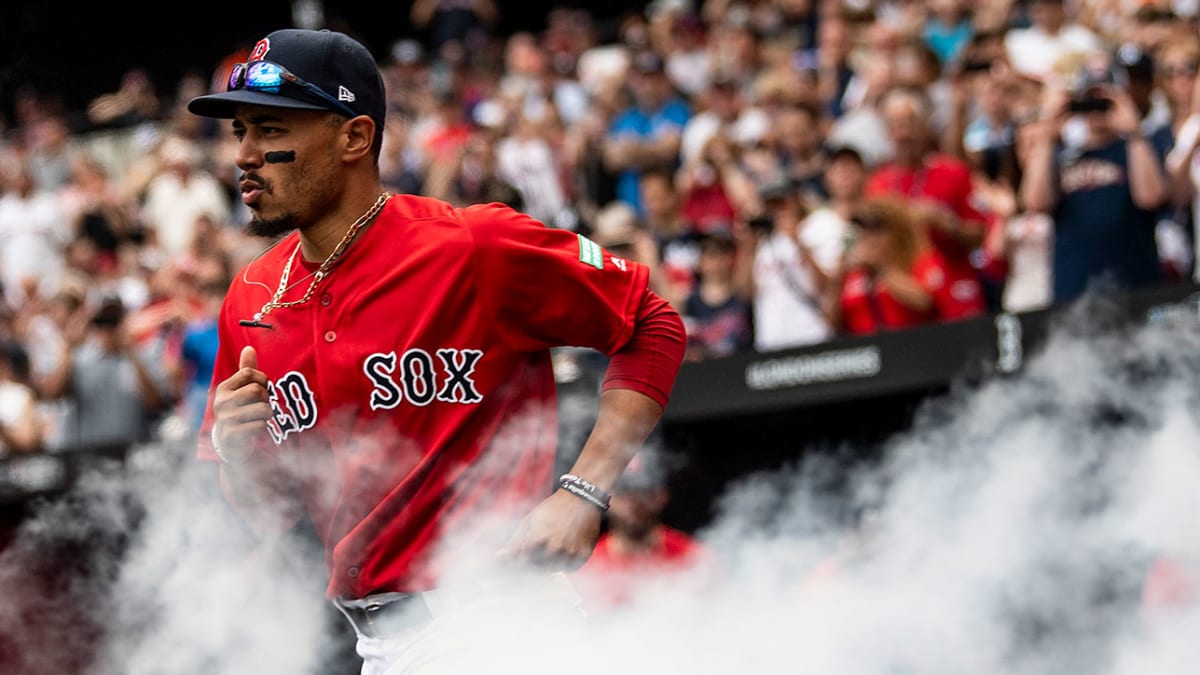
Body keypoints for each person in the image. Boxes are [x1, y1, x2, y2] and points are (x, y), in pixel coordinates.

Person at [186, 29, 686, 674]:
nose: (246, 154)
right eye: (239, 132)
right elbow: (271, 512)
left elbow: (652, 321)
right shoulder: (250, 296)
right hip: (380, 644)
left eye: (270, 128)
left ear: (353, 138)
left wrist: (583, 492)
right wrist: (238, 449)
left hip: (497, 621)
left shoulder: (471, 245)